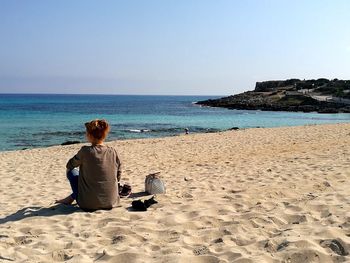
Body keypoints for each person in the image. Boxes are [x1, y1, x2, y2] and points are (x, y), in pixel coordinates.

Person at [56, 119, 122, 211]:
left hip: (88, 204)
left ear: (89, 135)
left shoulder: (85, 151)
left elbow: (69, 164)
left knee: (71, 171)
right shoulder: (112, 151)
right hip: (111, 201)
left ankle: (73, 197)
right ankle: (70, 198)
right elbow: (118, 175)